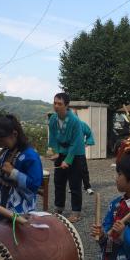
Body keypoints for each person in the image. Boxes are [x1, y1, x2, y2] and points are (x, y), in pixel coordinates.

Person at [0, 115, 43, 221]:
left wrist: (13, 172)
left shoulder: (30, 155)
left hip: (21, 209)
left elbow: (35, 185)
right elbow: (2, 179)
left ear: (14, 134)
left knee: (15, 235)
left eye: (2, 140)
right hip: (4, 202)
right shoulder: (7, 151)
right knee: (1, 232)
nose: (1, 144)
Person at [48, 92, 85, 223]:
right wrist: (56, 152)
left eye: (60, 104)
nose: (56, 106)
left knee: (74, 183)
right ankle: (59, 207)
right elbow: (52, 137)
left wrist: (68, 161)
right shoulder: (53, 118)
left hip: (76, 152)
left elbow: (76, 142)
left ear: (67, 105)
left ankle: (76, 212)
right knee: (58, 181)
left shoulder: (74, 120)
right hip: (61, 150)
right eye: (55, 103)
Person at [80, 120, 95, 195]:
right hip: (69, 151)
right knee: (71, 169)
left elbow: (89, 134)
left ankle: (87, 186)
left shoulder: (82, 124)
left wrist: (87, 143)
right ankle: (73, 186)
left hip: (80, 151)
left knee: (83, 169)